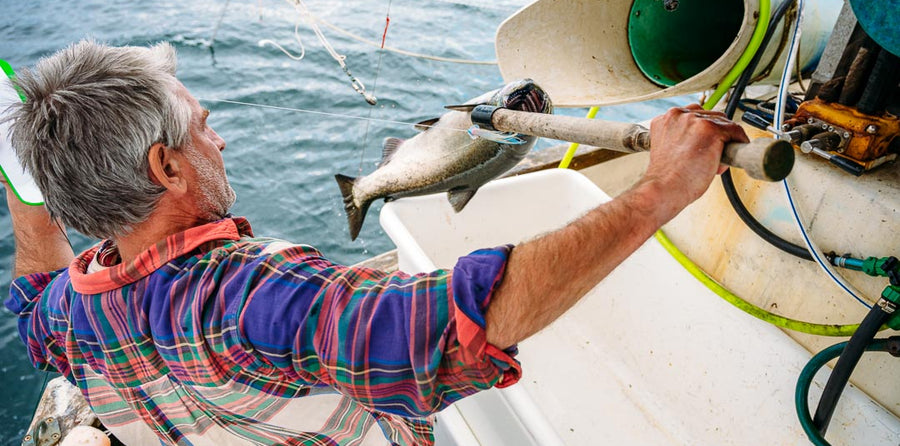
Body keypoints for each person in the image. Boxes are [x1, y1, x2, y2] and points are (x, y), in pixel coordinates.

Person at [2, 40, 747, 446]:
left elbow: (35, 288)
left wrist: (25, 187)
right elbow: (465, 322)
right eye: (202, 125)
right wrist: (661, 190)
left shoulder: (70, 311)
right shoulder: (251, 296)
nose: (218, 138)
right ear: (166, 167)